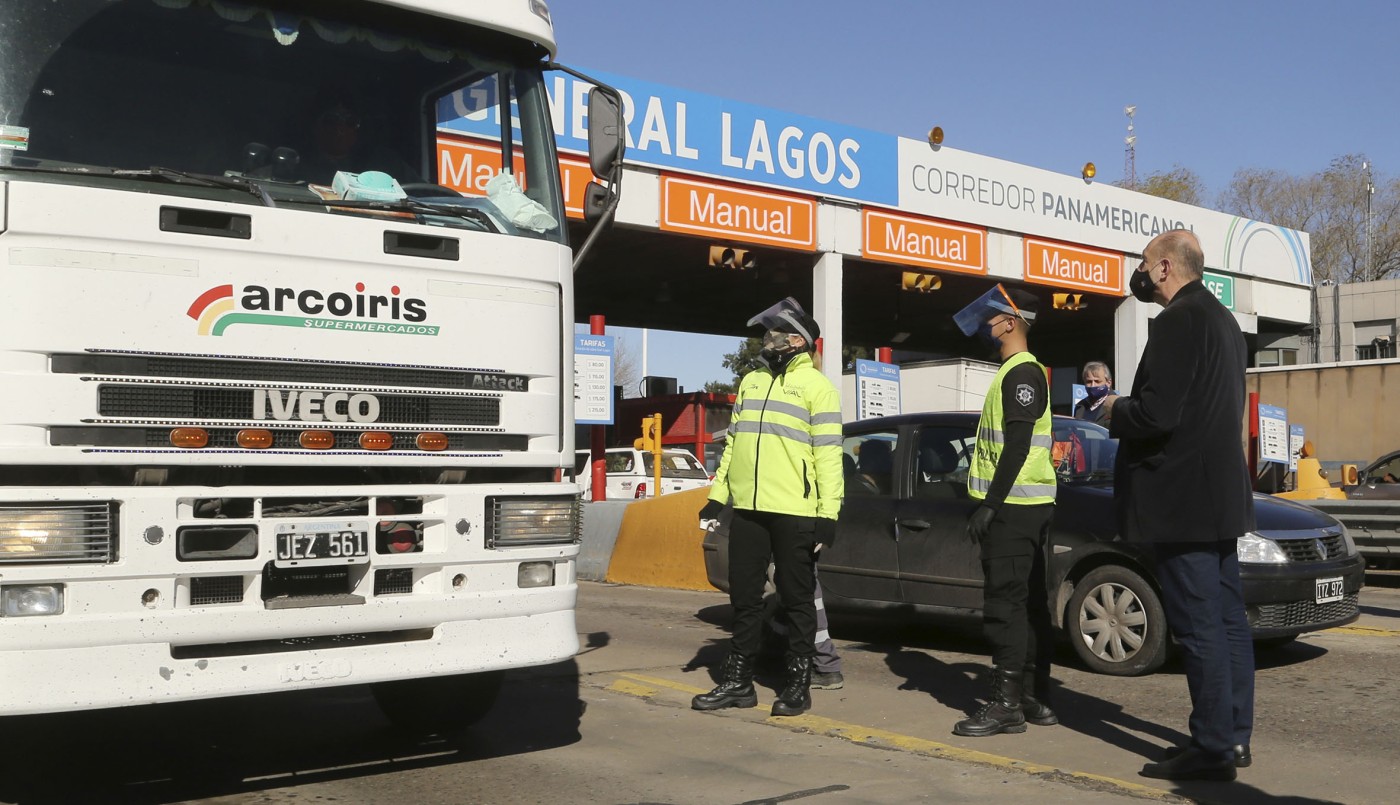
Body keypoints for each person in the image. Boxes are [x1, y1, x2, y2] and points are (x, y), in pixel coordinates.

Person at [1100, 229, 1255, 782]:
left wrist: (1116, 409)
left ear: (1165, 267)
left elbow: (1158, 415)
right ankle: (1234, 737)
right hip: (1219, 497)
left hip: (1181, 498)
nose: (1140, 274)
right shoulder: (1224, 323)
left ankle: (1211, 747)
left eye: (1145, 264)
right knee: (1228, 618)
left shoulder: (1177, 321)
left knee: (1198, 626)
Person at [692, 297, 844, 717]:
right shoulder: (752, 382)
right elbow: (734, 445)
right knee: (744, 597)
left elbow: (829, 455)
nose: (767, 340)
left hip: (796, 511)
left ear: (798, 340)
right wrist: (717, 497)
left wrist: (828, 516)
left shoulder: (818, 388)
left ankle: (798, 683)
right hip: (749, 509)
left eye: (775, 333)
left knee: (796, 599)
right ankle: (738, 682)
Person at [950, 284, 1058, 738]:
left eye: (992, 320)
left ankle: (1006, 704)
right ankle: (1031, 696)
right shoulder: (1020, 373)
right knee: (1029, 605)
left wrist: (989, 507)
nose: (987, 328)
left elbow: (1015, 446)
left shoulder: (1020, 373)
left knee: (1006, 607)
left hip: (1013, 510)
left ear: (1010, 323)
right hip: (1027, 507)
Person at [1073, 361, 1117, 426]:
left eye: (1097, 381)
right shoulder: (1079, 406)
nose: (1093, 385)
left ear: (1108, 383)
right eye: (1089, 381)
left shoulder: (1116, 405)